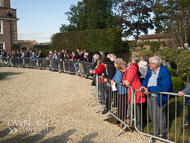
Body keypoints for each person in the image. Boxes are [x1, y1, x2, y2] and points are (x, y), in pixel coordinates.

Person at [140, 56, 173, 139]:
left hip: (160, 97)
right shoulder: (151, 70)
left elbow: (165, 87)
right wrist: (144, 86)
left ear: (155, 64)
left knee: (160, 115)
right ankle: (156, 131)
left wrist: (150, 89)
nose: (148, 65)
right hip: (150, 96)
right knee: (152, 114)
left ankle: (164, 133)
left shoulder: (164, 71)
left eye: (150, 63)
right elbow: (146, 79)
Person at [117, 61, 146, 130]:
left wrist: (125, 82)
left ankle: (138, 127)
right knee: (130, 108)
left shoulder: (131, 70)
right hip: (131, 92)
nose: (121, 72)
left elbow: (128, 82)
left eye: (121, 70)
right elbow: (124, 80)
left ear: (123, 68)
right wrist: (124, 81)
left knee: (137, 110)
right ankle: (130, 124)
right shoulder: (127, 71)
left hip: (136, 92)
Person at [111, 58, 127, 128]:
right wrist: (113, 79)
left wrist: (114, 80)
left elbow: (119, 79)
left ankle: (122, 119)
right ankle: (120, 118)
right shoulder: (118, 70)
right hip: (119, 89)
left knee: (122, 105)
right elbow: (115, 77)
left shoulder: (120, 70)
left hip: (122, 90)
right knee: (120, 105)